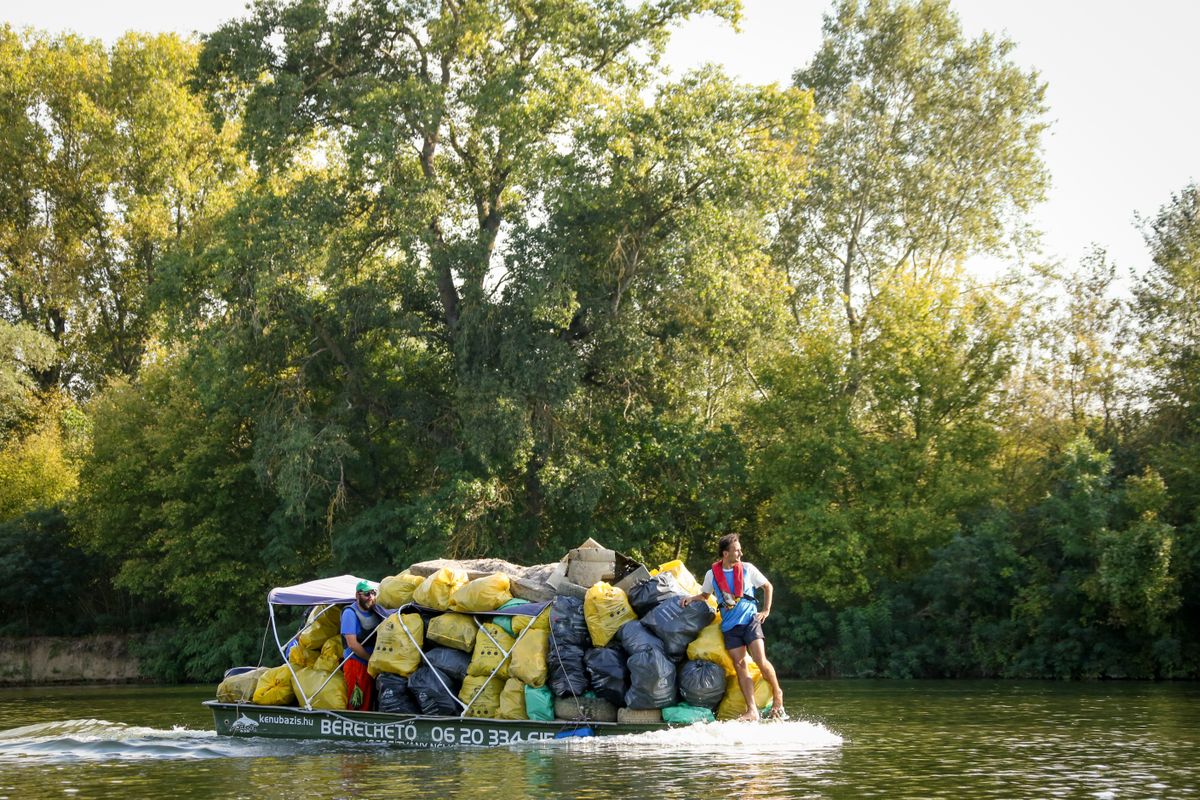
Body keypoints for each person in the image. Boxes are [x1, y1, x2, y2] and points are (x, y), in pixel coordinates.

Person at [682, 533, 785, 721]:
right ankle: (752, 710)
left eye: (739, 549)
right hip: (730, 626)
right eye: (736, 550)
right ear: (725, 553)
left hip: (750, 621)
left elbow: (767, 586)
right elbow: (705, 595)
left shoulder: (747, 569)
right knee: (740, 666)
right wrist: (691, 598)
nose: (740, 553)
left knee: (760, 660)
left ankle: (778, 694)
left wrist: (766, 610)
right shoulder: (712, 574)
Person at [341, 580, 382, 711]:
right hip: (356, 663)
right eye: (366, 594)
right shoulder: (350, 613)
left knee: (370, 701)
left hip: (371, 666)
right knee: (358, 701)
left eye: (373, 593)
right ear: (357, 595)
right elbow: (352, 644)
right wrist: (370, 659)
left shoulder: (377, 611)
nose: (371, 597)